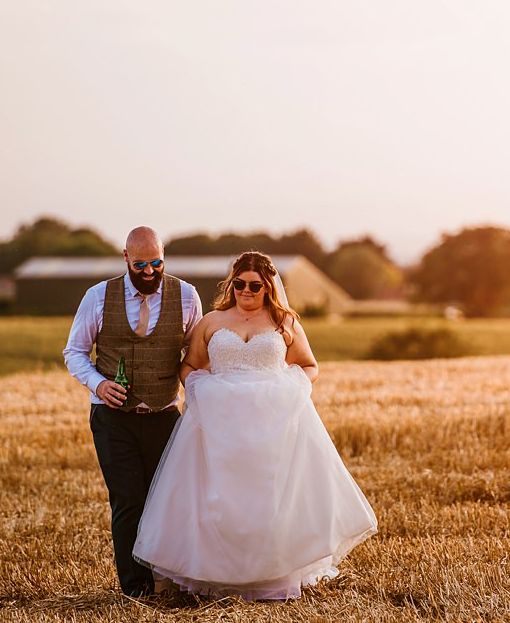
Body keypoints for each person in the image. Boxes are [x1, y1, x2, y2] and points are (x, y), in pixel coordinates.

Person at [133, 251, 377, 601]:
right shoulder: (212, 321)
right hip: (220, 426)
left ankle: (270, 575)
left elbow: (309, 366)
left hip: (271, 426)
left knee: (269, 498)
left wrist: (289, 390)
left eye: (254, 285)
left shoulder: (284, 323)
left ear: (268, 286)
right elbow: (190, 367)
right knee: (217, 497)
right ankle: (216, 575)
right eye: (239, 284)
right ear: (231, 284)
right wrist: (204, 391)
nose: (246, 291)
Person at [63, 226, 202, 598]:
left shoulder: (187, 297)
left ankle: (170, 581)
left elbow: (195, 355)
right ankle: (135, 588)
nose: (149, 271)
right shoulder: (96, 297)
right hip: (113, 420)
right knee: (128, 501)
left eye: (156, 263)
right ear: (126, 258)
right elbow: (74, 352)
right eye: (140, 264)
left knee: (166, 501)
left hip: (164, 415)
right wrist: (98, 384)